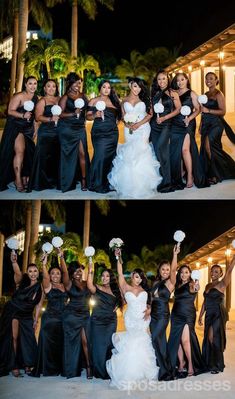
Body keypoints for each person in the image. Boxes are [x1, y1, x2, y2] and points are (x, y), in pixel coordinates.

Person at [106, 247, 158, 389]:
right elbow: (120, 273)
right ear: (132, 277)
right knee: (131, 342)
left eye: (140, 277)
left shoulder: (145, 290)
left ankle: (141, 374)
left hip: (142, 320)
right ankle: (128, 375)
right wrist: (118, 257)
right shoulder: (126, 287)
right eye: (135, 276)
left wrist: (149, 310)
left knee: (142, 343)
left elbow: (151, 303)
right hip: (130, 320)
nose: (138, 279)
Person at [108, 77, 162, 198]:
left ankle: (144, 185)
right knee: (130, 154)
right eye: (135, 86)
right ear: (130, 86)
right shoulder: (124, 100)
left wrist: (138, 124)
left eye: (139, 87)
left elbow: (150, 114)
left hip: (143, 128)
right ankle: (129, 185)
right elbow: (123, 116)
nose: (137, 89)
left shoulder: (145, 98)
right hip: (129, 130)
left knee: (141, 152)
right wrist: (127, 124)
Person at [0, 251, 43, 377]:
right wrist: (14, 262)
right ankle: (13, 366)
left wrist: (35, 320)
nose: (33, 273)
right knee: (13, 337)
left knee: (28, 339)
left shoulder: (40, 287)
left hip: (27, 314)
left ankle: (28, 364)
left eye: (35, 271)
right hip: (13, 311)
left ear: (38, 272)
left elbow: (38, 305)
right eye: (30, 271)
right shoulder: (21, 282)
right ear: (27, 273)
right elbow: (17, 272)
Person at [31, 251, 68, 377]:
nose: (55, 275)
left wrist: (61, 256)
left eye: (57, 273)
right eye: (53, 273)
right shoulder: (47, 285)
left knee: (60, 345)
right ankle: (49, 370)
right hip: (50, 320)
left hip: (62, 320)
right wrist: (44, 265)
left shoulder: (64, 285)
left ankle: (58, 368)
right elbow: (45, 277)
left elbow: (65, 272)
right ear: (50, 276)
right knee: (47, 345)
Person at [170, 73, 208, 189]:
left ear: (187, 80)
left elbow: (198, 109)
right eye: (178, 80)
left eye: (182, 79)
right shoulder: (174, 93)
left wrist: (190, 118)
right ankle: (181, 172)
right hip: (175, 123)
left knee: (185, 150)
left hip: (188, 123)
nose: (180, 82)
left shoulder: (192, 93)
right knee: (177, 150)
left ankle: (190, 175)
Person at [0, 76, 38, 192]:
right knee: (20, 151)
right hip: (16, 127)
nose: (33, 86)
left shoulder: (36, 98)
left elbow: (35, 116)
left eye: (35, 84)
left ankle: (24, 177)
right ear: (25, 85)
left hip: (28, 128)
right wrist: (22, 115)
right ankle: (18, 180)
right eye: (30, 83)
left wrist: (35, 128)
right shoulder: (19, 96)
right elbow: (10, 111)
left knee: (28, 154)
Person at [198, 257, 235, 374]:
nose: (213, 273)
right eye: (212, 271)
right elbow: (205, 301)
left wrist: (234, 256)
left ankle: (216, 365)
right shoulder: (207, 286)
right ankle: (210, 362)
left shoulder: (223, 283)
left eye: (216, 272)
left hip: (218, 313)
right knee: (208, 339)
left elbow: (229, 270)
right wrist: (200, 315)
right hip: (209, 314)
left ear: (220, 274)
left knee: (212, 337)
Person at [168, 265, 205, 377]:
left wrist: (197, 283)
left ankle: (190, 365)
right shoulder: (178, 285)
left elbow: (196, 288)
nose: (184, 274)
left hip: (187, 315)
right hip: (175, 314)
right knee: (177, 340)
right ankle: (181, 363)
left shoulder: (191, 284)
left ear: (190, 274)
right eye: (182, 272)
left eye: (186, 272)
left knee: (185, 341)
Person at [87, 263, 123, 379]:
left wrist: (118, 305)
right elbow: (89, 284)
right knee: (98, 346)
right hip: (97, 320)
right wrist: (91, 271)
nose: (104, 278)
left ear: (111, 278)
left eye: (107, 276)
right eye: (103, 276)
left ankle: (108, 370)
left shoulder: (116, 290)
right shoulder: (97, 287)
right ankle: (99, 371)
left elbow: (125, 299)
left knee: (108, 345)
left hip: (111, 321)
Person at [150, 245, 179, 381]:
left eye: (167, 269)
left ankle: (164, 370)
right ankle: (162, 368)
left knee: (154, 338)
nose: (166, 271)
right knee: (160, 342)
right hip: (153, 316)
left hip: (162, 315)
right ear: (159, 270)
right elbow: (151, 298)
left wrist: (175, 255)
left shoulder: (171, 282)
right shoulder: (156, 282)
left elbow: (174, 270)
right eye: (163, 269)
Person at [86, 80, 122, 193]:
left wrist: (117, 121)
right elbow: (87, 117)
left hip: (112, 133)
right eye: (104, 87)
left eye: (109, 87)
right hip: (99, 133)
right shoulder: (93, 101)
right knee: (100, 155)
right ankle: (95, 183)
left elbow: (119, 116)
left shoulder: (115, 102)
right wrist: (95, 115)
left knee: (110, 157)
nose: (106, 89)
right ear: (100, 88)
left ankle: (107, 182)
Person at [199, 71, 235, 184]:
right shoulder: (206, 94)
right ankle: (226, 170)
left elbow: (223, 111)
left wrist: (208, 110)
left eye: (211, 78)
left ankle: (215, 175)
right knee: (212, 149)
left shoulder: (219, 94)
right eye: (206, 78)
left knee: (208, 145)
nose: (208, 80)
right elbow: (202, 112)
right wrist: (200, 125)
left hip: (216, 124)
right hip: (206, 124)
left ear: (216, 80)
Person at [150, 70, 181, 193]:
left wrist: (165, 118)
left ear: (168, 79)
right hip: (154, 126)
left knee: (161, 150)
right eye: (159, 79)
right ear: (156, 81)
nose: (161, 81)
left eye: (164, 78)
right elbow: (151, 110)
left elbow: (178, 109)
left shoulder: (172, 93)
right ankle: (160, 178)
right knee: (157, 152)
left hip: (166, 125)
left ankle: (167, 182)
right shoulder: (154, 93)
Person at [60, 259, 92, 379]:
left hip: (85, 315)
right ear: (71, 273)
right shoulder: (68, 284)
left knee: (86, 341)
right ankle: (71, 369)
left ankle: (89, 367)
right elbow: (64, 271)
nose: (78, 272)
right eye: (75, 271)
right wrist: (61, 257)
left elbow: (95, 289)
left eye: (80, 270)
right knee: (71, 343)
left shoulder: (86, 283)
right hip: (71, 316)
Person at [58, 73, 90, 192]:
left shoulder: (83, 96)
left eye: (79, 83)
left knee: (82, 153)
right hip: (68, 128)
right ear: (70, 83)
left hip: (80, 128)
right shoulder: (65, 97)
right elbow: (60, 114)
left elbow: (88, 109)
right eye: (76, 82)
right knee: (68, 155)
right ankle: (68, 180)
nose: (78, 85)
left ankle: (84, 179)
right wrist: (73, 113)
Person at [28, 79, 60, 191]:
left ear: (56, 88)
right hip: (46, 132)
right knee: (44, 158)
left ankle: (55, 181)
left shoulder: (59, 100)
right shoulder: (42, 101)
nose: (51, 88)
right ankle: (42, 182)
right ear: (45, 88)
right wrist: (50, 118)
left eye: (53, 86)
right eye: (48, 86)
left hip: (59, 133)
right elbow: (37, 117)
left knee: (56, 157)